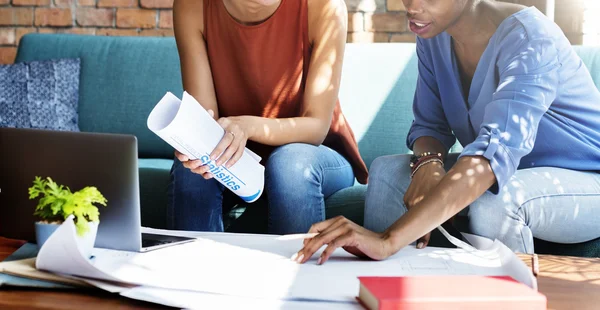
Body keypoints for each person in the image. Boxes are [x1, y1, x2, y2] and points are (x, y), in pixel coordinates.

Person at [293, 0, 600, 264]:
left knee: (496, 202)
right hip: (507, 169)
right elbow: (430, 126)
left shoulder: (531, 39)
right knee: (387, 174)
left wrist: (388, 240)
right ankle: (388, 289)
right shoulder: (433, 34)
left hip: (583, 179)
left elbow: (489, 158)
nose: (411, 6)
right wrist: (429, 163)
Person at [168, 0, 368, 234]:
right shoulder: (192, 6)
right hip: (237, 158)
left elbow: (316, 126)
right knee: (193, 170)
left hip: (314, 154)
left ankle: (296, 269)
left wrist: (248, 127)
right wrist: (194, 143)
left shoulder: (324, 6)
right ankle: (192, 267)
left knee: (290, 166)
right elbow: (207, 120)